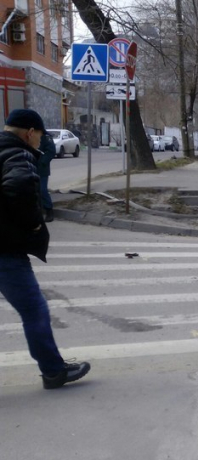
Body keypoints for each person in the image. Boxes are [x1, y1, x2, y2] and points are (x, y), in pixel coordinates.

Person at [0, 109, 91, 389]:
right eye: (40, 136)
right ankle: (53, 371)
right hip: (5, 251)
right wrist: (34, 226)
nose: (40, 142)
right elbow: (21, 184)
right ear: (29, 133)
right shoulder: (19, 154)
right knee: (34, 310)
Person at [36, 131, 56, 222]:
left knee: (42, 190)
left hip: (41, 169)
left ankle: (49, 210)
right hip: (30, 167)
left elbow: (51, 151)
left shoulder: (45, 136)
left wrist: (42, 162)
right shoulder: (28, 135)